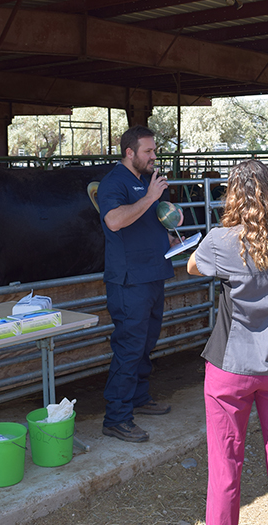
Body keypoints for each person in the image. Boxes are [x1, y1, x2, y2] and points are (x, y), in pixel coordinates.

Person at [187, 160, 268, 525]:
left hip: (229, 366)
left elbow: (194, 266)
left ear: (233, 195)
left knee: (225, 466)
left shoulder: (219, 240)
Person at [99, 125, 175, 442]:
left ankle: (139, 397)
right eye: (148, 151)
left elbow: (149, 221)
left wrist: (170, 220)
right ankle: (117, 417)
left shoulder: (144, 181)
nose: (153, 156)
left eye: (154, 151)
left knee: (146, 342)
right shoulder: (113, 183)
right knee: (129, 346)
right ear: (130, 152)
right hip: (130, 279)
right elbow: (115, 221)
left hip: (153, 272)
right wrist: (150, 197)